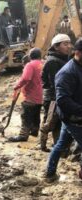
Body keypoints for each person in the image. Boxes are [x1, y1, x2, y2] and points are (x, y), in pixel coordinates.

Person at [44, 38, 82, 182]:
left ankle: (50, 173)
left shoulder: (80, 66)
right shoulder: (66, 73)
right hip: (73, 117)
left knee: (61, 143)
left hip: (74, 116)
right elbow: (63, 101)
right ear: (78, 53)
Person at [40, 34, 71, 152]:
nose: (69, 46)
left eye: (69, 43)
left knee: (58, 123)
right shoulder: (53, 62)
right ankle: (42, 145)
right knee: (49, 122)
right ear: (56, 47)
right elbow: (55, 83)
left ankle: (59, 147)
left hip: (60, 95)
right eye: (65, 44)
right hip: (53, 97)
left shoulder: (64, 59)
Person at [8, 48, 43, 142]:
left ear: (30, 56)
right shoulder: (42, 64)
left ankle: (23, 135)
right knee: (36, 114)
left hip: (31, 95)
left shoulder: (30, 65)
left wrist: (17, 86)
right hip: (40, 95)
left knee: (26, 115)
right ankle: (34, 131)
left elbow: (26, 78)